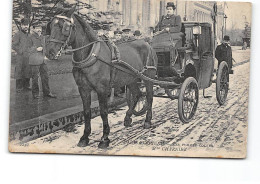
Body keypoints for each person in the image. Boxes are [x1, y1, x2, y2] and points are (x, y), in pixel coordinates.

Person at [28, 25, 56, 99]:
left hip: (43, 60)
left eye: (40, 28)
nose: (39, 30)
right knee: (35, 78)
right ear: (33, 29)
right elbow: (26, 49)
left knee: (45, 76)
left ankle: (47, 92)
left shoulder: (43, 37)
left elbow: (45, 48)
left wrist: (46, 55)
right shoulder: (30, 37)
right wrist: (36, 49)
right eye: (37, 28)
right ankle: (35, 94)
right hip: (34, 60)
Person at [12, 18, 32, 93]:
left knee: (27, 70)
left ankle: (26, 85)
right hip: (20, 56)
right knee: (19, 70)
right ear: (21, 25)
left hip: (28, 56)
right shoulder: (17, 34)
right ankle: (19, 87)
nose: (25, 26)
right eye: (24, 25)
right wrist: (20, 51)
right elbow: (13, 45)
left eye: (27, 25)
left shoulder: (29, 35)